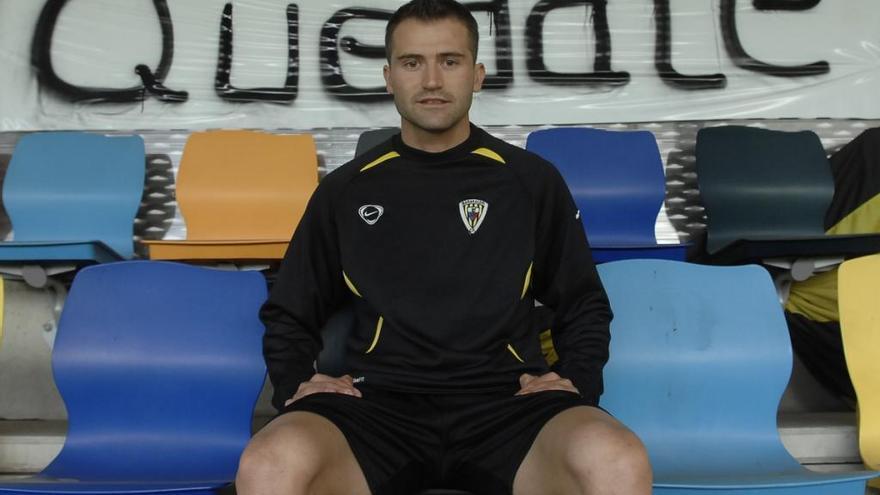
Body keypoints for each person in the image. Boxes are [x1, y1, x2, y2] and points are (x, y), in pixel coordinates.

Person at [236, 0, 651, 493]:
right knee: (268, 465)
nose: (432, 81)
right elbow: (289, 311)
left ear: (476, 75)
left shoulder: (530, 182)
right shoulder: (346, 191)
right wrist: (294, 383)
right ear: (389, 77)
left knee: (618, 460)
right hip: (377, 408)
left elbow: (582, 303)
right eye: (413, 63)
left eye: (449, 61)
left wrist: (576, 376)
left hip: (509, 405)